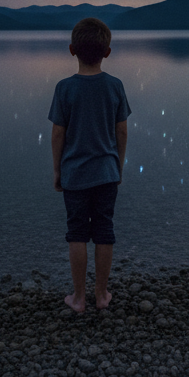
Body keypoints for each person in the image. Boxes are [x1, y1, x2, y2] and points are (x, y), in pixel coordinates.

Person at [48, 17, 130, 313]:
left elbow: (58, 133)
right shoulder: (115, 86)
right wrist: (117, 165)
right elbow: (121, 131)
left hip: (75, 174)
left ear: (72, 49)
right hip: (107, 172)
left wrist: (58, 170)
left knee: (77, 232)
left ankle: (79, 298)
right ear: (107, 52)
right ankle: (101, 294)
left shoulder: (64, 88)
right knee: (104, 229)